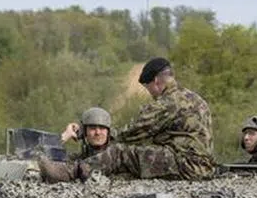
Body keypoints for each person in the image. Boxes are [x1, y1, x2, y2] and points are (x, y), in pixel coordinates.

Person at [39, 57, 215, 181]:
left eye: (148, 89)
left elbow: (133, 133)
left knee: (120, 152)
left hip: (186, 166)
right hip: (202, 165)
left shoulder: (167, 103)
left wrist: (94, 134)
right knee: (139, 152)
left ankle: (69, 173)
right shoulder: (194, 98)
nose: (151, 94)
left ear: (155, 81)